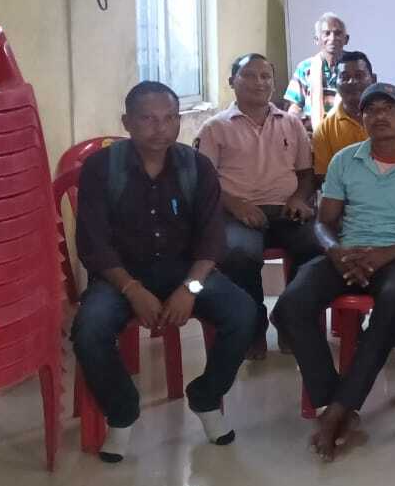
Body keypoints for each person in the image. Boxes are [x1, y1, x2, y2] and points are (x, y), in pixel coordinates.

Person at [71, 81, 258, 462]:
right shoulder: (101, 168)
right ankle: (122, 411)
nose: (161, 128)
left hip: (184, 270)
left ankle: (206, 397)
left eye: (170, 118)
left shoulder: (197, 166)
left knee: (243, 313)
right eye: (148, 119)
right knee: (88, 328)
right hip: (119, 274)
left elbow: (212, 239)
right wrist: (132, 289)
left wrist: (190, 288)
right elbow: (93, 242)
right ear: (127, 122)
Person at [272, 83, 395, 461]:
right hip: (347, 254)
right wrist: (336, 252)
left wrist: (387, 255)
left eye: (389, 108)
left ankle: (339, 408)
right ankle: (333, 403)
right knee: (290, 305)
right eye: (371, 110)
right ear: (362, 118)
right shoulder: (345, 160)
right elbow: (324, 224)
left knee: (394, 301)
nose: (379, 116)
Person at [195, 53, 321, 360]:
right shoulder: (214, 128)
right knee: (239, 254)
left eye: (265, 76)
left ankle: (289, 318)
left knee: (317, 247)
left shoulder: (291, 123)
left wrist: (298, 198)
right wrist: (236, 205)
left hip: (286, 210)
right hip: (236, 213)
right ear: (232, 82)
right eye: (249, 75)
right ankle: (253, 328)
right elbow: (203, 184)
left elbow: (306, 175)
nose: (259, 83)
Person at [312, 50, 395, 187]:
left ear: (373, 79)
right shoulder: (324, 130)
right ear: (335, 83)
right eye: (344, 77)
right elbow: (325, 177)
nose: (352, 82)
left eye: (359, 75)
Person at [285, 12, 349, 128]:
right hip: (311, 131)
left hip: (346, 131)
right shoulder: (305, 67)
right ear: (316, 39)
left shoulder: (352, 66)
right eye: (327, 34)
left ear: (346, 39)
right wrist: (293, 123)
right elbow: (295, 105)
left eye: (338, 33)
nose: (332, 38)